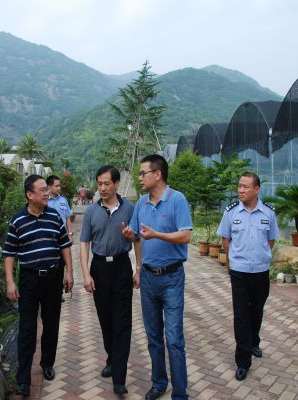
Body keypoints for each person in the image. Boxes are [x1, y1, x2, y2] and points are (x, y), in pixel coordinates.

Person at [122, 154, 192, 400]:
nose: (140, 178)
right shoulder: (141, 203)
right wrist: (129, 235)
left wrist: (157, 235)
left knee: (174, 339)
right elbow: (136, 236)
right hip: (149, 279)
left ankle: (180, 394)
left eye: (143, 173)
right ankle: (159, 383)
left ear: (158, 174)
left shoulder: (177, 200)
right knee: (153, 337)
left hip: (172, 277)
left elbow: (185, 236)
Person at [3, 174, 74, 397]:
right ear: (30, 194)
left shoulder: (54, 216)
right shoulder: (17, 221)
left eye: (47, 189)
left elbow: (64, 245)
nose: (47, 193)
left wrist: (69, 272)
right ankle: (23, 379)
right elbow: (9, 253)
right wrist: (10, 282)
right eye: (42, 190)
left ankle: (47, 363)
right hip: (29, 280)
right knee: (27, 329)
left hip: (53, 277)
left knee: (51, 324)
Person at [79, 165, 141, 396]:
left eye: (106, 183)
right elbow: (84, 244)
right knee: (106, 321)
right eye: (99, 184)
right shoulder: (91, 212)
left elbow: (137, 240)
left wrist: (138, 269)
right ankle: (112, 359)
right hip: (99, 269)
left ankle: (119, 378)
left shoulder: (130, 209)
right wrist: (86, 274)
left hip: (122, 267)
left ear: (116, 184)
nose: (102, 188)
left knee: (122, 323)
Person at [217, 172, 279, 382]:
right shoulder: (231, 212)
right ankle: (243, 361)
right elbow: (226, 240)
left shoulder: (268, 213)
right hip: (239, 272)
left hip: (261, 271)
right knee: (241, 314)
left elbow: (271, 240)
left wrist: (259, 256)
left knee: (257, 310)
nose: (240, 190)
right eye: (239, 186)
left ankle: (253, 342)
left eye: (245, 187)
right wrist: (237, 258)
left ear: (257, 189)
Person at [47, 175, 74, 303]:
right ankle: (51, 291)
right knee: (52, 264)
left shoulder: (63, 200)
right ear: (49, 186)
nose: (59, 188)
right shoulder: (44, 201)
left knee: (62, 264)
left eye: (59, 185)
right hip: (49, 239)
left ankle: (59, 291)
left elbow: (68, 217)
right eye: (56, 186)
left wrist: (70, 234)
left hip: (62, 239)